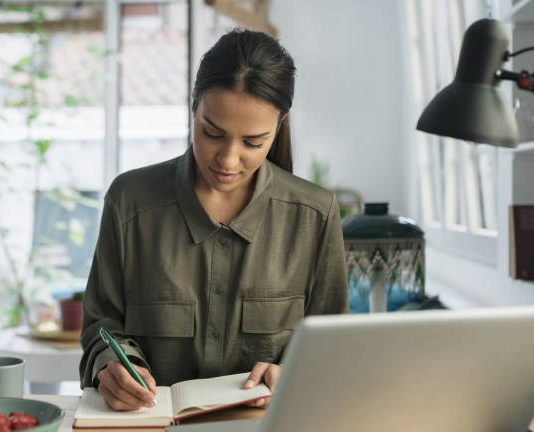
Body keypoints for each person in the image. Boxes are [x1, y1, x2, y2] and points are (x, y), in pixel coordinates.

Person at [78, 28, 349, 411]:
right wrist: (114, 367)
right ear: (194, 105)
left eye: (253, 143)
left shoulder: (315, 215)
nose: (227, 160)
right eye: (212, 133)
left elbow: (334, 346)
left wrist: (294, 371)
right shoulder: (130, 201)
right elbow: (100, 326)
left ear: (279, 125)